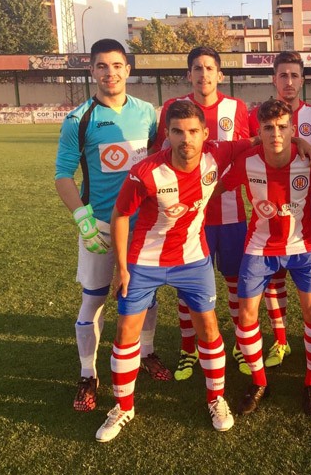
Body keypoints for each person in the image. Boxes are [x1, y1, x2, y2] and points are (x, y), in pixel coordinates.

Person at [95, 100, 255, 442]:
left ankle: (216, 399)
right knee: (126, 333)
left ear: (205, 134)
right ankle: (123, 407)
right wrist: (121, 268)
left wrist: (300, 142)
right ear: (166, 134)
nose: (187, 139)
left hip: (192, 258)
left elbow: (258, 141)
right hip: (145, 260)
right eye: (178, 132)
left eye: (193, 131)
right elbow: (120, 215)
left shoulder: (219, 154)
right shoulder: (146, 171)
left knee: (209, 329)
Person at [55, 38, 170, 413]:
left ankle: (147, 352)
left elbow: (157, 159)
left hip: (143, 228)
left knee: (146, 297)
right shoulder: (79, 118)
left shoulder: (147, 114)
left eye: (117, 65)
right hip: (100, 227)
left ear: (128, 70)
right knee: (94, 299)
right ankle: (88, 373)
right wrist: (82, 218)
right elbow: (62, 175)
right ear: (92, 71)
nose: (110, 73)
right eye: (102, 66)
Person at [225, 99, 311, 416]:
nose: (276, 133)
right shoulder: (246, 161)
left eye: (283, 127)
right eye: (268, 128)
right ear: (259, 131)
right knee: (247, 316)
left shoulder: (309, 161)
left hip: (302, 247)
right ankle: (259, 382)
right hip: (260, 247)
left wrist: (303, 144)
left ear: (293, 129)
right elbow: (216, 187)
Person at [155, 47, 250, 381]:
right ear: (188, 74)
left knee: (236, 283)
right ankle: (188, 348)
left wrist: (225, 186)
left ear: (220, 74)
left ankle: (240, 343)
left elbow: (246, 153)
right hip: (187, 219)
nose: (204, 74)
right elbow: (159, 154)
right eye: (197, 68)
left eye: (210, 68)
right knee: (187, 288)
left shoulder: (236, 108)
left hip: (231, 213)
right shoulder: (173, 108)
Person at [245, 51, 311, 372]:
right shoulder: (259, 114)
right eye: (283, 76)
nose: (289, 82)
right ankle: (281, 339)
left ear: (303, 80)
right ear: (274, 79)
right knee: (273, 280)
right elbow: (255, 144)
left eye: (295, 76)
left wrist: (306, 147)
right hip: (269, 211)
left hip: (309, 209)